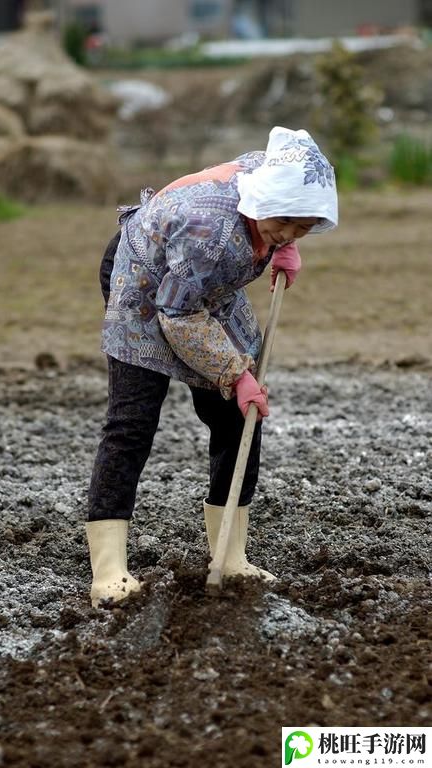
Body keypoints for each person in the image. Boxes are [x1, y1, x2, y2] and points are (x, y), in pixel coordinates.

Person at [86, 126, 338, 605]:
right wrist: (234, 374)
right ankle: (110, 574)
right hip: (143, 278)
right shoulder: (209, 230)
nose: (289, 231)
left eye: (303, 226)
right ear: (265, 199)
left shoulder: (271, 176)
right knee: (132, 421)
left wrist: (282, 242)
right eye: (284, 221)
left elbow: (266, 190)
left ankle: (230, 556)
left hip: (208, 285)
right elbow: (177, 313)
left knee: (238, 417)